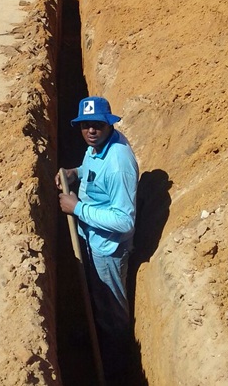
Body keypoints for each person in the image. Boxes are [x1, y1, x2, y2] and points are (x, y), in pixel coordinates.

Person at [56, 96, 139, 383]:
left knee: (113, 312)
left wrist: (76, 207)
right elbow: (92, 172)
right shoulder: (96, 147)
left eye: (97, 125)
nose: (91, 130)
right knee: (97, 299)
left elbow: (125, 221)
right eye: (86, 125)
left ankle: (116, 367)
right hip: (90, 240)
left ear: (109, 124)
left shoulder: (118, 163)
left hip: (108, 250)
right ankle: (96, 334)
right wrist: (74, 173)